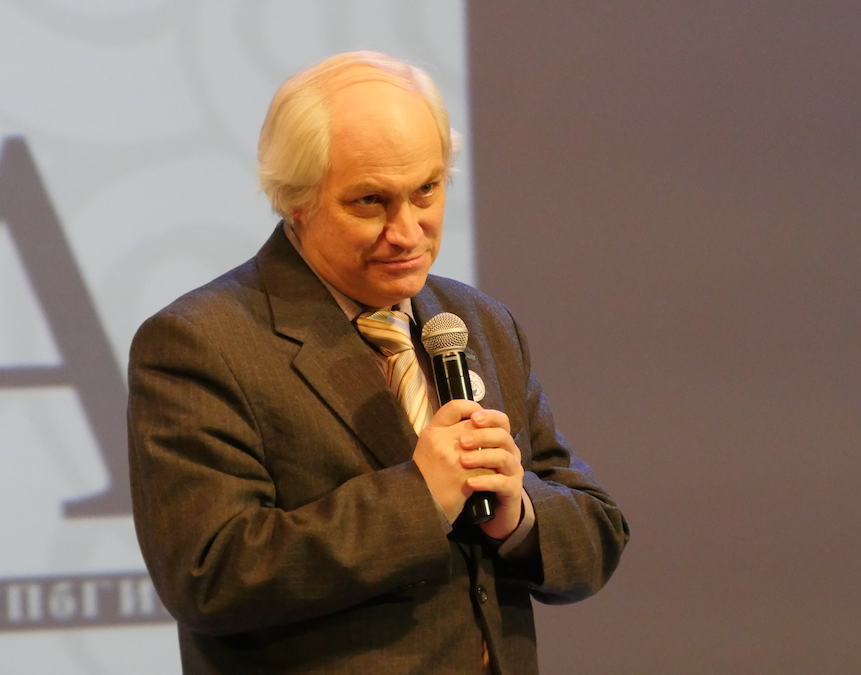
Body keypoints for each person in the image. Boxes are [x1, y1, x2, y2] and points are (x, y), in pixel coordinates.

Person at [127, 51, 628, 675]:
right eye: (370, 201)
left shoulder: (479, 321)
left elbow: (596, 532)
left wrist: (519, 513)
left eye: (426, 190)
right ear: (296, 200)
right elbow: (210, 574)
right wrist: (420, 497)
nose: (408, 231)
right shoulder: (201, 341)